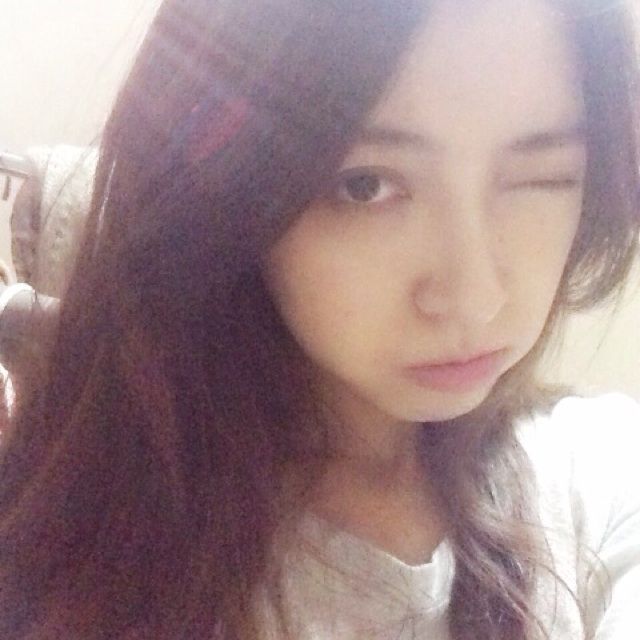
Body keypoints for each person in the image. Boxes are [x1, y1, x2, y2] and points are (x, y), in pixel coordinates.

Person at [0, 0, 639, 638]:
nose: (475, 298)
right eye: (365, 186)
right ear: (224, 189)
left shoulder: (592, 465)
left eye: (540, 177)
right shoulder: (89, 519)